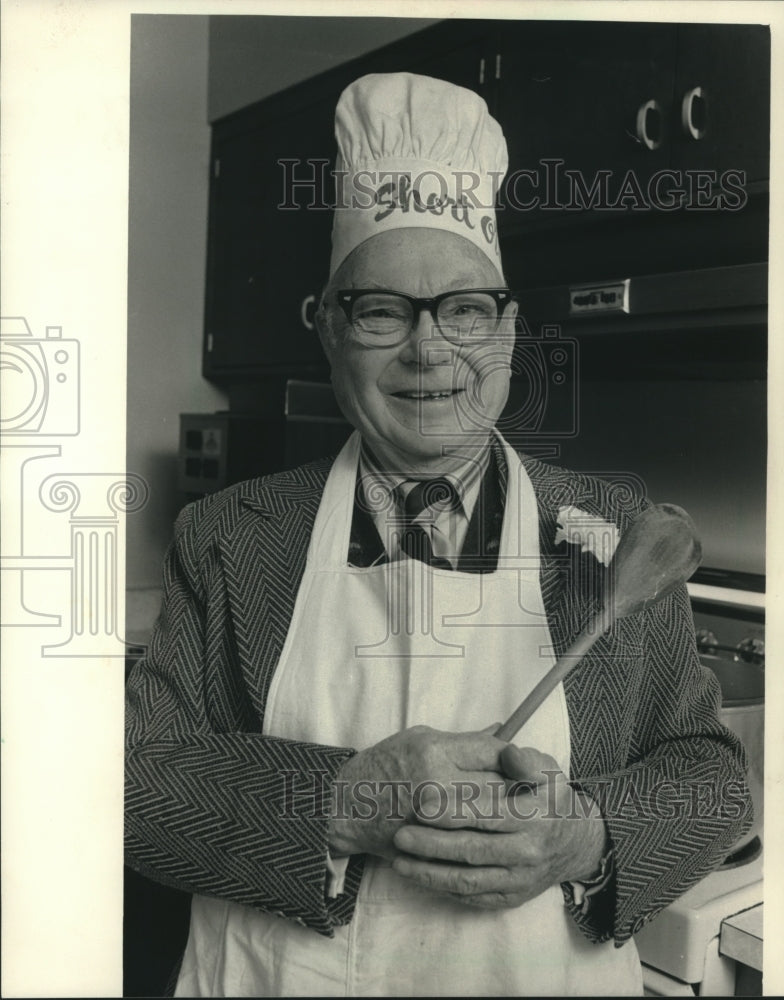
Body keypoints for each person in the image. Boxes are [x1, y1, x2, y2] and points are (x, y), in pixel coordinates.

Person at [125, 73, 752, 997]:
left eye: (464, 310)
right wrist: (343, 802)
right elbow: (130, 784)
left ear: (508, 332)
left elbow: (713, 781)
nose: (429, 350)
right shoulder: (227, 536)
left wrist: (585, 835)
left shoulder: (617, 536)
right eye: (382, 310)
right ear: (330, 331)